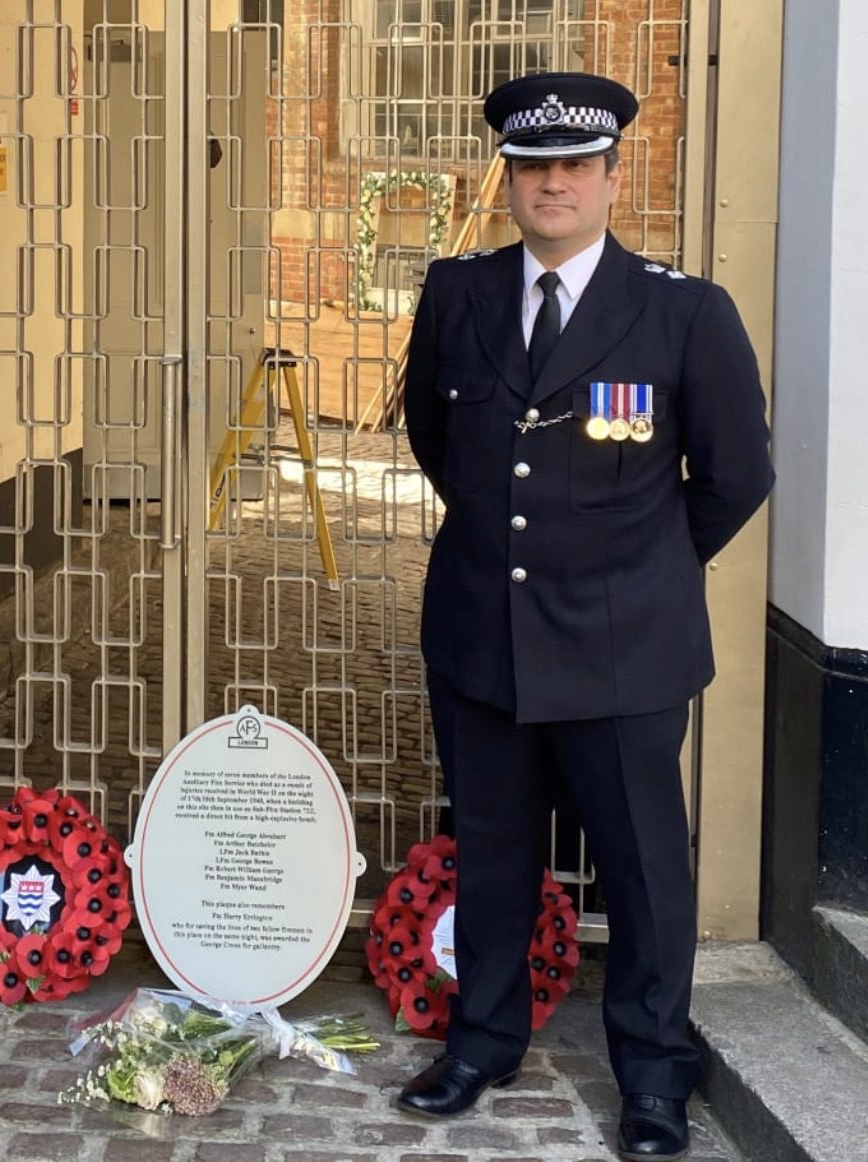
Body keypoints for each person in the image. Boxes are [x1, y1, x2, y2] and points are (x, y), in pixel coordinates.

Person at [397, 72, 773, 1161]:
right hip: (482, 634)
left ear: (613, 178)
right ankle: (482, 1042)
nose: (551, 184)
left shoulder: (682, 311)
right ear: (508, 180)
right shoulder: (458, 293)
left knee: (642, 869)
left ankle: (652, 1075)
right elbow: (435, 439)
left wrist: (642, 570)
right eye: (531, 166)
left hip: (625, 646)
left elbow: (736, 475)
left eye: (574, 165)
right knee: (492, 851)